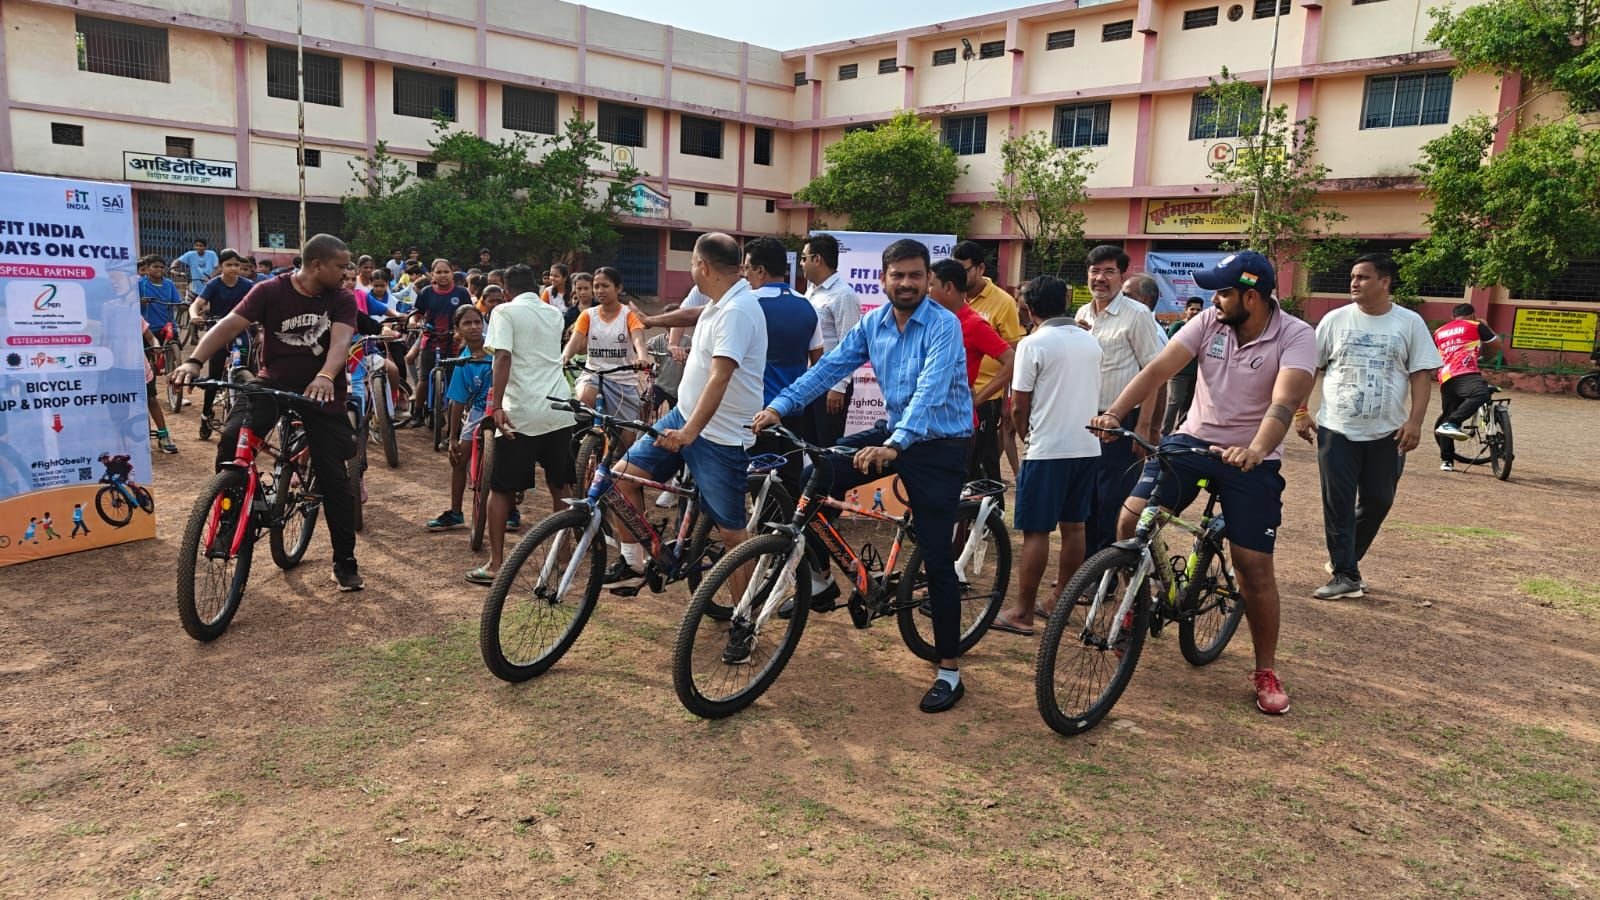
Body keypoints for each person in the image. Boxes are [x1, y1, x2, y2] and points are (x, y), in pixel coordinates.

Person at [1090, 250, 1314, 716]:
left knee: (1252, 567)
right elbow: (1157, 369)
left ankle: (1266, 669)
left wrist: (1257, 448)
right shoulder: (1210, 322)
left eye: (1223, 292)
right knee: (1131, 522)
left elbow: (1283, 401)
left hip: (1250, 457)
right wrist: (1114, 413)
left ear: (1251, 297)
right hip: (1192, 441)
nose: (1214, 300)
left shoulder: (1295, 335)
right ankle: (1135, 602)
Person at [755, 238, 974, 714]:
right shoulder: (874, 323)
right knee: (816, 479)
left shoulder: (944, 326)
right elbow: (830, 367)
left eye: (916, 275)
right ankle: (825, 580)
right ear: (883, 279)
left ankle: (949, 670)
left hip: (938, 443)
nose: (907, 283)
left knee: (936, 558)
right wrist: (780, 406)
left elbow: (931, 390)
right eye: (898, 275)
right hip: (893, 432)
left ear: (928, 280)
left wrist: (896, 444)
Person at [171, 233, 366, 592]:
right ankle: (230, 516)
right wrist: (194, 361)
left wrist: (325, 375)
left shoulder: (341, 298)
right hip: (272, 383)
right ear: (317, 265)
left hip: (322, 391)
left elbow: (340, 343)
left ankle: (344, 560)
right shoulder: (270, 291)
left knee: (334, 480)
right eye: (340, 266)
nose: (346, 272)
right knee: (232, 439)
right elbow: (229, 325)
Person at [605, 234, 766, 591]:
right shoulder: (722, 299)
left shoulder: (737, 311)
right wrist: (652, 320)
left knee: (732, 536)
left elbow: (720, 377)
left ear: (702, 266)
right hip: (684, 416)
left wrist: (690, 432)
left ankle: (745, 616)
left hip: (719, 436)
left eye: (692, 262)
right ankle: (640, 560)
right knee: (620, 480)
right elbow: (697, 313)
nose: (691, 267)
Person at [1296, 253, 1441, 601]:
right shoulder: (1335, 320)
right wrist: (1301, 411)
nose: (1354, 283)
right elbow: (1310, 367)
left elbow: (1421, 375)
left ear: (1385, 282)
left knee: (1379, 500)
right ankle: (1346, 574)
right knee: (1338, 503)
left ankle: (1344, 559)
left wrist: (1415, 422)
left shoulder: (1409, 323)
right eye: (1353, 276)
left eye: (1362, 277)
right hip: (1336, 430)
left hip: (1388, 432)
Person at [992, 276, 1102, 635]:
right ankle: (1059, 601)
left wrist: (1027, 437)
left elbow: (1018, 406)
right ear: (1065, 302)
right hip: (1086, 445)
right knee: (1075, 526)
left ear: (1028, 309)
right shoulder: (1090, 341)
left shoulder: (1033, 343)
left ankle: (1022, 612)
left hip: (1048, 449)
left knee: (1037, 532)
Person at [474, 265, 576, 584]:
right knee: (560, 485)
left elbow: (502, 357)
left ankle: (496, 564)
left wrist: (496, 405)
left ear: (506, 290)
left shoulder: (504, 311)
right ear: (536, 286)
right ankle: (563, 558)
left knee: (501, 489)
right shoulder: (554, 314)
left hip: (522, 411)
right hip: (559, 407)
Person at [1076, 245, 1167, 553]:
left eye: (1109, 272)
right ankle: (1088, 565)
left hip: (1121, 423)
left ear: (1121, 275)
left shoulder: (1137, 315)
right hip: (1085, 420)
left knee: (1112, 498)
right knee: (1085, 495)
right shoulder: (1082, 314)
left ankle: (1109, 568)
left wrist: (1144, 426)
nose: (1100, 278)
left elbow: (1153, 373)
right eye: (1095, 271)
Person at [741, 237, 823, 497]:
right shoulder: (806, 306)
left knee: (760, 479)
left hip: (757, 409)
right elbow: (818, 361)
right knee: (790, 479)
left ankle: (765, 524)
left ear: (760, 270)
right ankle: (788, 523)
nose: (745, 275)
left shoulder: (747, 303)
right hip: (794, 409)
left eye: (747, 268)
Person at [950, 241, 1023, 482]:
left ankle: (990, 505)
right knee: (959, 463)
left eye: (964, 270)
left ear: (980, 268)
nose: (958, 277)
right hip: (954, 396)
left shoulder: (1003, 302)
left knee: (982, 462)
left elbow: (1013, 356)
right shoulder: (951, 298)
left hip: (985, 396)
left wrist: (1006, 400)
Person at [562, 267, 650, 452]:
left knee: (627, 441)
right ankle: (589, 442)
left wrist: (642, 358)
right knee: (584, 398)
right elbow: (575, 341)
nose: (600, 290)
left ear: (618, 288)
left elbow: (638, 340)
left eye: (605, 286)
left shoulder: (628, 314)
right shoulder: (588, 315)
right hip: (594, 374)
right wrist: (564, 357)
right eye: (596, 286)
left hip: (623, 380)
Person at [428, 304, 494, 532]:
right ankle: (456, 513)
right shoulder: (462, 360)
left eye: (477, 322)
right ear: (458, 329)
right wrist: (453, 437)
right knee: (458, 458)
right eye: (467, 323)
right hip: (478, 412)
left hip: (505, 408)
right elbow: (456, 401)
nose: (474, 327)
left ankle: (512, 511)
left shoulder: (497, 349)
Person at [928, 258, 1014, 420]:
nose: (926, 292)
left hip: (956, 420)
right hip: (927, 417)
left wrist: (978, 399)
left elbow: (1012, 360)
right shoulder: (932, 320)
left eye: (931, 285)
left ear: (948, 287)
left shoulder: (974, 324)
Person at [800, 233, 863, 447]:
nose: (801, 264)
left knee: (827, 447)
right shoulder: (811, 291)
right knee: (807, 443)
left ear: (817, 259)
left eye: (804, 258)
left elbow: (850, 346)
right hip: (809, 380)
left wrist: (839, 387)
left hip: (830, 384)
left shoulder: (843, 295)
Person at [190, 249, 256, 436]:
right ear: (220, 266)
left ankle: (243, 416)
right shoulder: (214, 284)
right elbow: (197, 304)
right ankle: (205, 415)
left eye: (237, 265)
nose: (234, 268)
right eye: (229, 265)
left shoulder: (248, 285)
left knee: (247, 371)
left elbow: (260, 304)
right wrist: (194, 316)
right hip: (218, 333)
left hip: (241, 332)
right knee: (214, 379)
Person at [1431, 302, 1500, 466]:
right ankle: (1453, 422)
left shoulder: (1439, 332)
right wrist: (1486, 327)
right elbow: (1496, 344)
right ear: (1473, 315)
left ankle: (1446, 461)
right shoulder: (1474, 325)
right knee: (1481, 393)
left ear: (1452, 317)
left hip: (1446, 375)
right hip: (1465, 371)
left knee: (1448, 412)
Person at [406, 258, 472, 427]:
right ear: (432, 274)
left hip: (454, 341)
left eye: (446, 272)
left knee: (454, 380)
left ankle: (455, 420)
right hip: (430, 339)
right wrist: (413, 321)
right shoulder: (426, 292)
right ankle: (418, 413)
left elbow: (469, 314)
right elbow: (417, 313)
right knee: (424, 379)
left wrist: (461, 333)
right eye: (439, 272)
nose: (443, 275)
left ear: (452, 273)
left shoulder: (461, 293)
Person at [1162, 297, 1206, 435]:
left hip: (1196, 373)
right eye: (1192, 309)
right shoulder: (1178, 326)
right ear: (1186, 310)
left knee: (1190, 404)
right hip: (1179, 372)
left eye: (1198, 310)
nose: (1195, 312)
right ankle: (1165, 433)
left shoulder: (1203, 328)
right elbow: (1170, 348)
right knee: (1175, 401)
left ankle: (1180, 432)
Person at [139, 319, 178, 454]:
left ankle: (163, 435)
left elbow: (151, 337)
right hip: (116, 369)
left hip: (140, 367)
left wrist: (156, 345)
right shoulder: (105, 315)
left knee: (151, 400)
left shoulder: (135, 316)